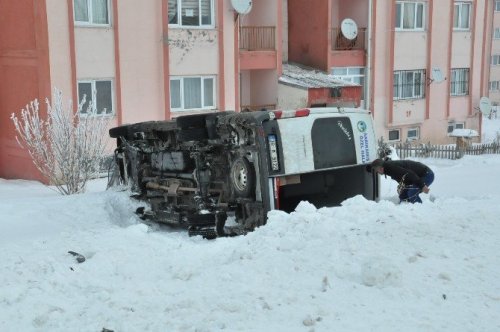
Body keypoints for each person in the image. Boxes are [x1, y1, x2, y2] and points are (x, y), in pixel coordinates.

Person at [369, 159, 434, 203]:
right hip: (416, 177)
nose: (377, 172)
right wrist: (403, 186)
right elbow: (403, 177)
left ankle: (420, 211)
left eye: (377, 170)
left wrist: (422, 186)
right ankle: (406, 213)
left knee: (411, 193)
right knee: (403, 195)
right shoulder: (386, 167)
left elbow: (411, 174)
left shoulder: (392, 168)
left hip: (426, 174)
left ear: (381, 168)